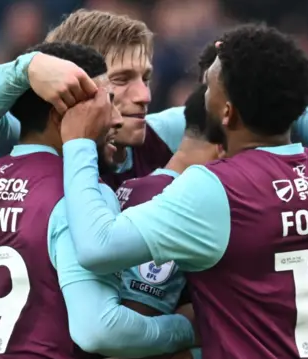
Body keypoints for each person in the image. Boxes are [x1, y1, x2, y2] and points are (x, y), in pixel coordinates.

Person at [60, 24, 308, 359]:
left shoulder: (216, 190)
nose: (200, 96)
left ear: (228, 112)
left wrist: (78, 142)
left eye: (208, 89)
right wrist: (297, 97)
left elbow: (98, 247)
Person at [0, 9, 308, 190]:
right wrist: (26, 69)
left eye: (146, 77)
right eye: (122, 79)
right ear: (68, 82)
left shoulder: (159, 135)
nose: (143, 96)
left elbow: (247, 100)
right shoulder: (27, 146)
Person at [0, 42, 196, 359]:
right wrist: (187, 329)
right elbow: (99, 331)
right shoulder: (79, 195)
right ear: (62, 114)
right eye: (105, 104)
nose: (117, 120)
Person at [118, 85, 219, 358]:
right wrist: (209, 322)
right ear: (224, 146)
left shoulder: (138, 186)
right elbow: (133, 331)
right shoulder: (172, 205)